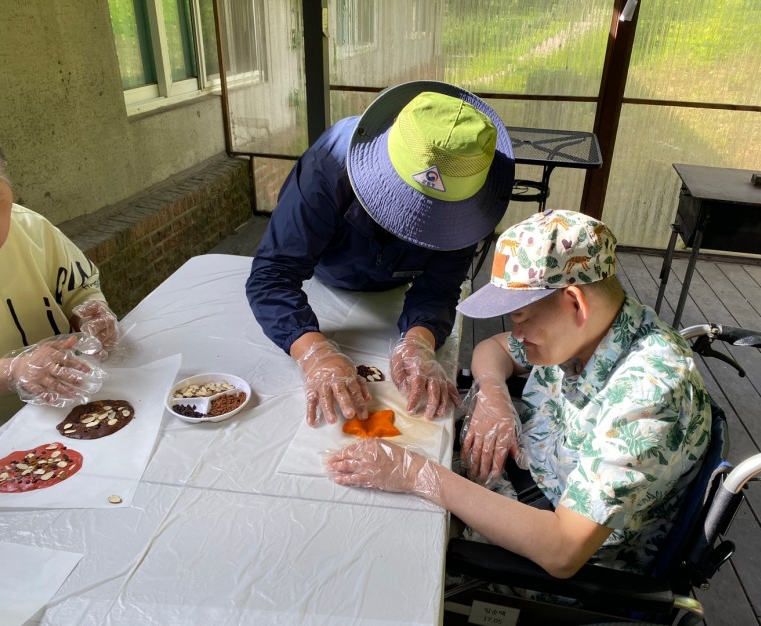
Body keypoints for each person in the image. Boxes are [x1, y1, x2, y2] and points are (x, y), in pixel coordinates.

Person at [325, 209, 712, 578]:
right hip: (514, 481)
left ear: (574, 303)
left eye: (522, 317)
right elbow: (494, 348)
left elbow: (563, 550)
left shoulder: (648, 396)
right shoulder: (599, 325)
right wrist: (493, 394)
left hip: (541, 559)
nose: (518, 333)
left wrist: (418, 475)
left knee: (373, 548)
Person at [246, 80, 515, 426]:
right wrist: (314, 353)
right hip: (328, 274)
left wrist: (420, 340)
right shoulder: (328, 165)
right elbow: (274, 274)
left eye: (437, 220)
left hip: (397, 288)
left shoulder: (472, 201)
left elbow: (439, 287)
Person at [0, 137, 119, 425]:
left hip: (78, 400)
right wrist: (10, 371)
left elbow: (80, 289)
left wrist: (92, 315)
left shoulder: (33, 229)